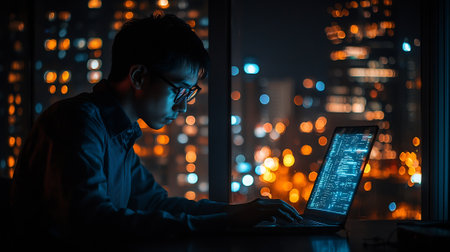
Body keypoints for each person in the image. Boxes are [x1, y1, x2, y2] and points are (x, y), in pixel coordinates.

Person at [10, 14, 301, 243]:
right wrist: (228, 219)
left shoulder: (116, 132)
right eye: (180, 91)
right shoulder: (78, 122)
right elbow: (93, 221)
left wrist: (239, 212)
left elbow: (157, 204)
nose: (184, 105)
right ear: (138, 76)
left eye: (190, 94)